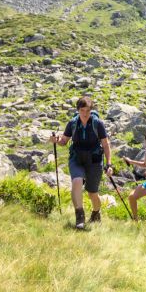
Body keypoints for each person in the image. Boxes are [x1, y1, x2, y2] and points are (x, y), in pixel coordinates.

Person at [50, 96, 113, 230]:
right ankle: (80, 215)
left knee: (92, 193)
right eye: (82, 110)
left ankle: (96, 213)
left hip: (94, 161)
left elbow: (106, 145)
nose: (85, 113)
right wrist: (57, 140)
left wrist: (109, 164)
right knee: (76, 181)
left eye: (88, 110)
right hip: (76, 159)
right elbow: (64, 141)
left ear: (91, 110)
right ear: (78, 110)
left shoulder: (98, 124)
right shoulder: (73, 123)